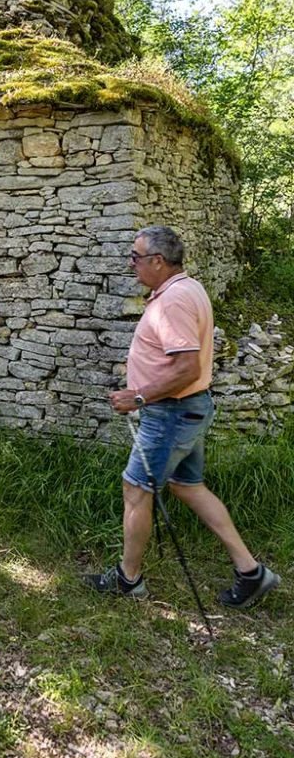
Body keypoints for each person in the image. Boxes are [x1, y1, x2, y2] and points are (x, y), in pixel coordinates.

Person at [83, 225, 280, 609]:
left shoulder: (173, 301)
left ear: (158, 261)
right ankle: (251, 572)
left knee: (136, 491)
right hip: (189, 408)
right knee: (187, 486)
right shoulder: (188, 288)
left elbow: (186, 367)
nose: (131, 263)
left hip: (172, 413)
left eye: (136, 257)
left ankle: (128, 580)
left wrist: (138, 396)